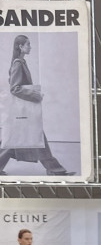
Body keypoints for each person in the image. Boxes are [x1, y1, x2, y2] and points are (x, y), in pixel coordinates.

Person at [0, 34, 73, 176]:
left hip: (23, 112)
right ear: (20, 46)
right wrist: (35, 95)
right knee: (33, 138)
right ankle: (55, 170)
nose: (30, 47)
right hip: (24, 111)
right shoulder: (18, 64)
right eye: (28, 44)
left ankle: (55, 170)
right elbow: (14, 88)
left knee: (18, 140)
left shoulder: (21, 62)